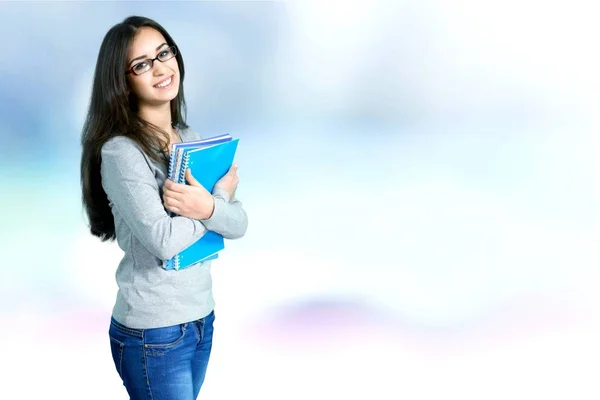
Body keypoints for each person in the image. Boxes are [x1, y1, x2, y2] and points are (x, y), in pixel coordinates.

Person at [79, 15, 248, 399]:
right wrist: (213, 205)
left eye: (163, 53)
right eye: (142, 64)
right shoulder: (122, 152)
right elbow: (164, 240)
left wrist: (207, 207)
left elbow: (238, 224)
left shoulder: (193, 140)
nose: (160, 68)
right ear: (123, 82)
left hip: (200, 316)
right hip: (153, 331)